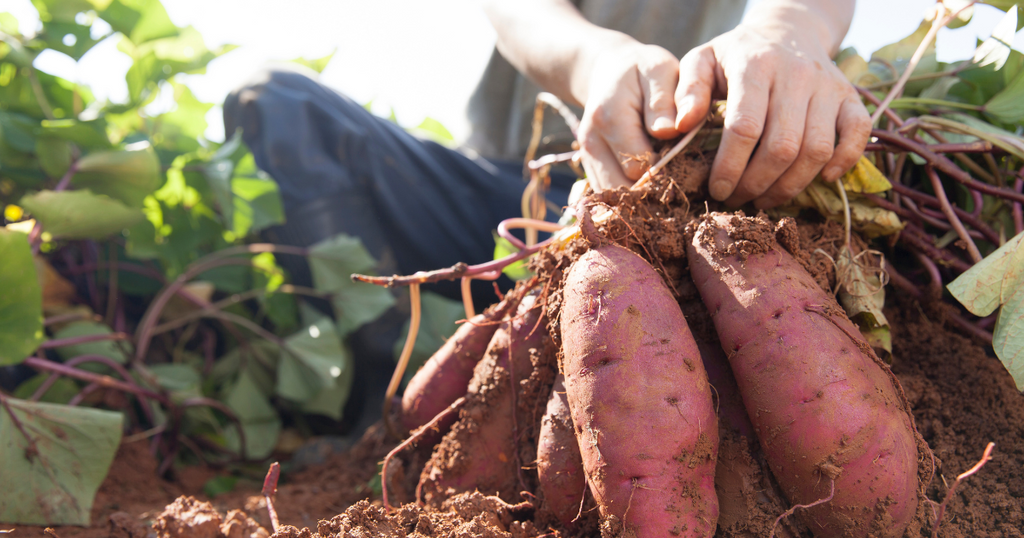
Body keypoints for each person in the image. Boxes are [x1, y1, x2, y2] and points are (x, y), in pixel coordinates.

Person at [223, 0, 867, 432]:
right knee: (275, 103)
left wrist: (789, 34)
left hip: (699, 200)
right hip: (519, 191)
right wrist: (594, 63)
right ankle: (385, 414)